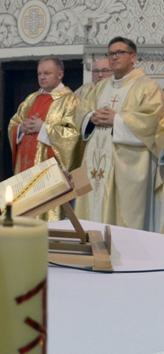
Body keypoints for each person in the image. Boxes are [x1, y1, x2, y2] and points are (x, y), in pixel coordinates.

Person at [76, 37, 164, 231]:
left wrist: (116, 120)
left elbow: (152, 121)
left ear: (133, 57)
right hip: (95, 164)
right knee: (91, 211)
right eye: (111, 54)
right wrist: (91, 117)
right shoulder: (100, 87)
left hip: (127, 166)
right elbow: (82, 111)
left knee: (123, 221)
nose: (114, 57)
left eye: (120, 53)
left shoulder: (147, 87)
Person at [8, 56, 81, 221]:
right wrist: (20, 129)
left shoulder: (70, 101)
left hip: (49, 172)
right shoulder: (31, 99)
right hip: (25, 171)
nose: (42, 77)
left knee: (47, 217)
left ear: (60, 75)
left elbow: (73, 135)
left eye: (47, 73)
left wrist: (44, 128)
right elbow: (14, 123)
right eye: (39, 73)